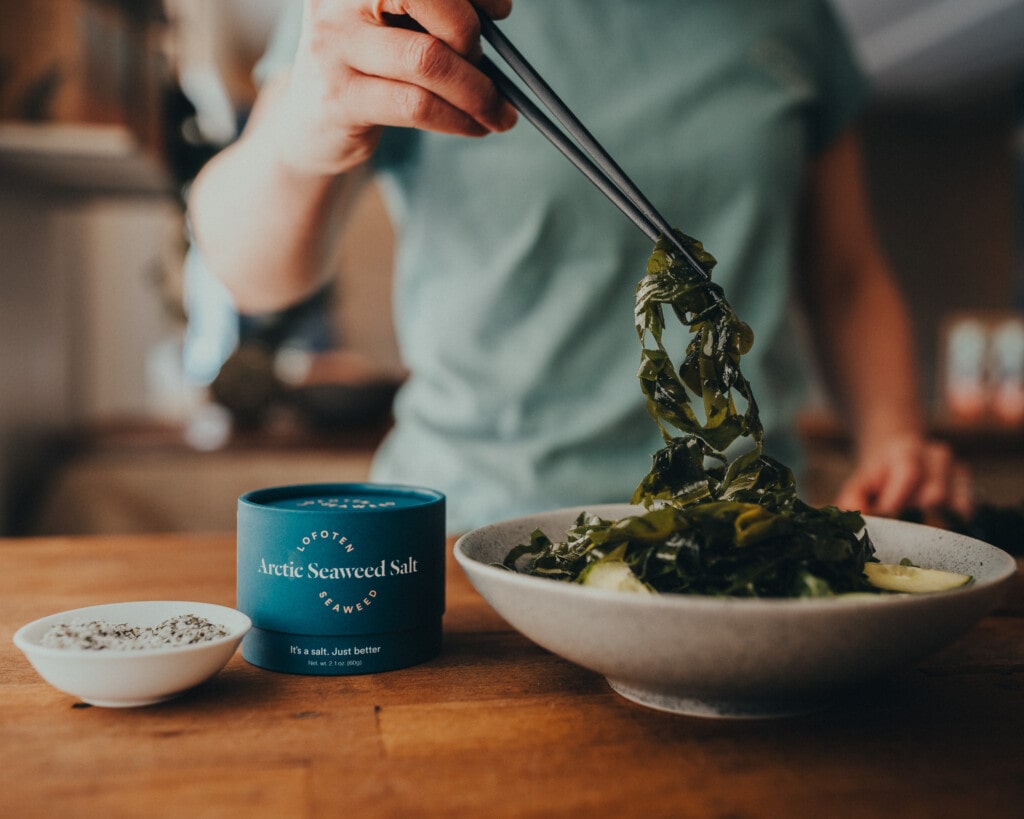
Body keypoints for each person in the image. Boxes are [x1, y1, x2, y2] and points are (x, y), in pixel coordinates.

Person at [186, 0, 972, 533]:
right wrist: (300, 138)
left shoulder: (792, 14)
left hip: (746, 534)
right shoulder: (397, 2)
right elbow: (251, 272)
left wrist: (893, 440)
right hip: (473, 538)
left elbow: (845, 277)